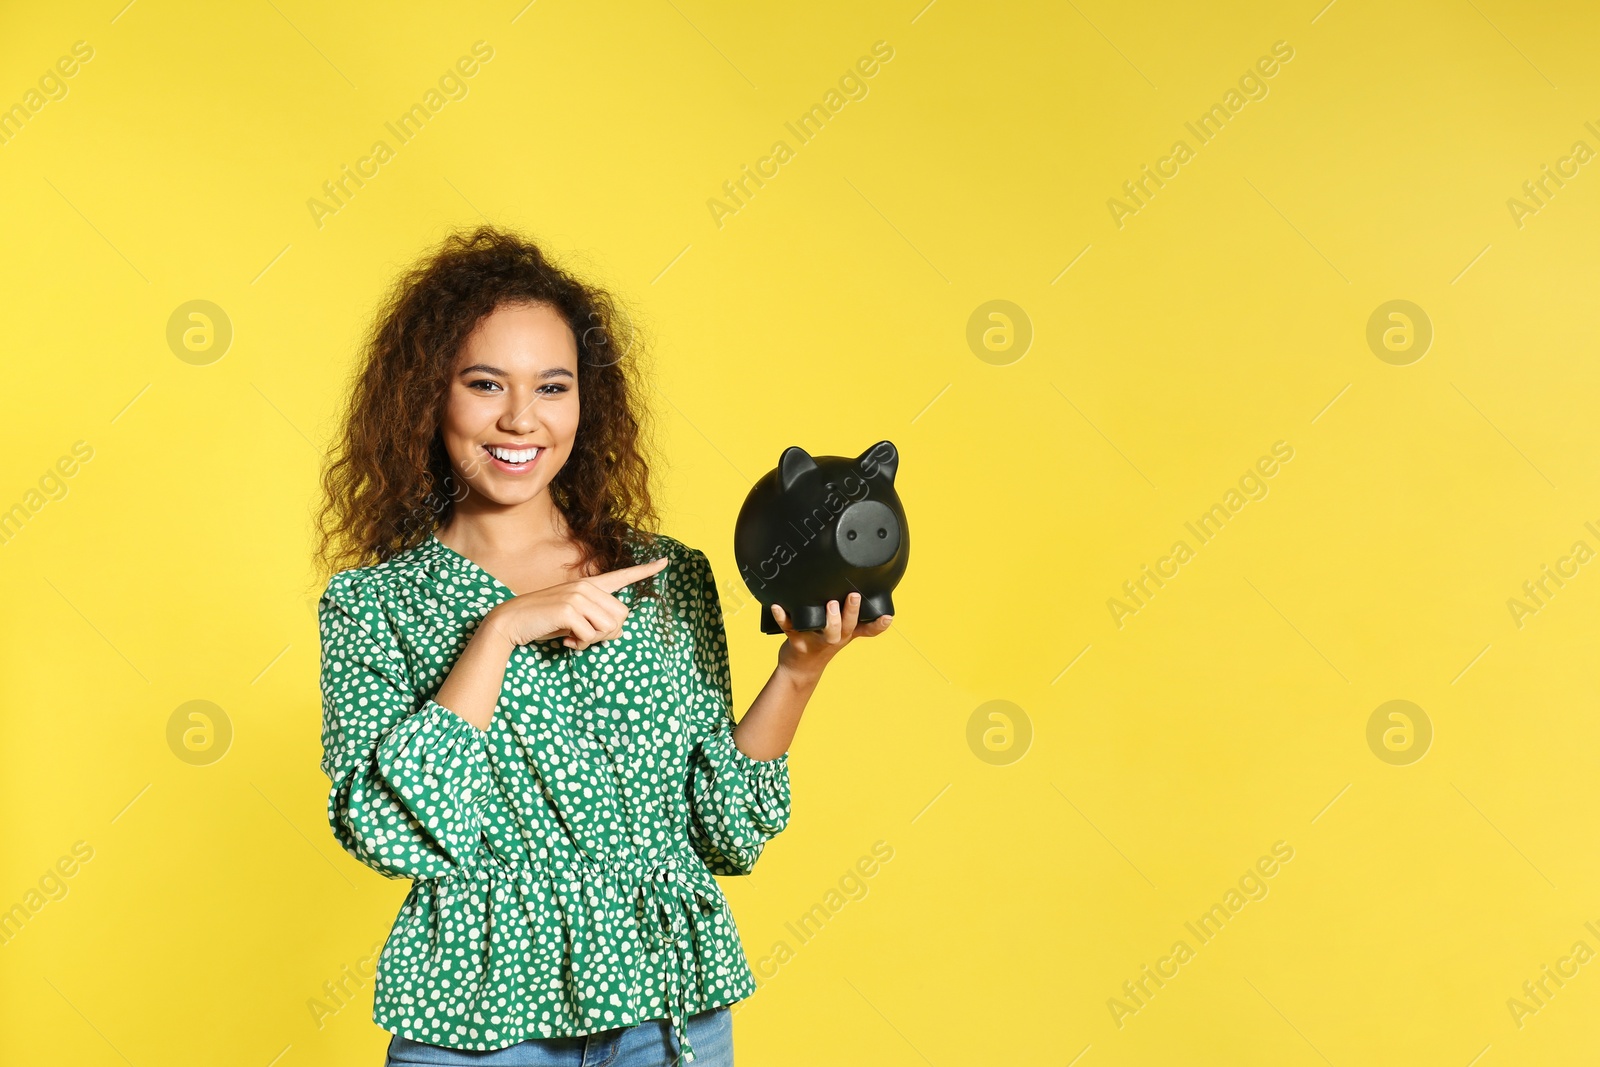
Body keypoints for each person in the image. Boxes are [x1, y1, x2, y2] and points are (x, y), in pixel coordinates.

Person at [311, 226, 892, 1066]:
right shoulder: (375, 605)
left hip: (668, 1016)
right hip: (477, 1023)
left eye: (553, 386)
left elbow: (724, 826)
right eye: (484, 384)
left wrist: (801, 668)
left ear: (587, 401)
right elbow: (390, 830)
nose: (521, 418)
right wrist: (501, 629)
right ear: (428, 396)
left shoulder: (663, 576)